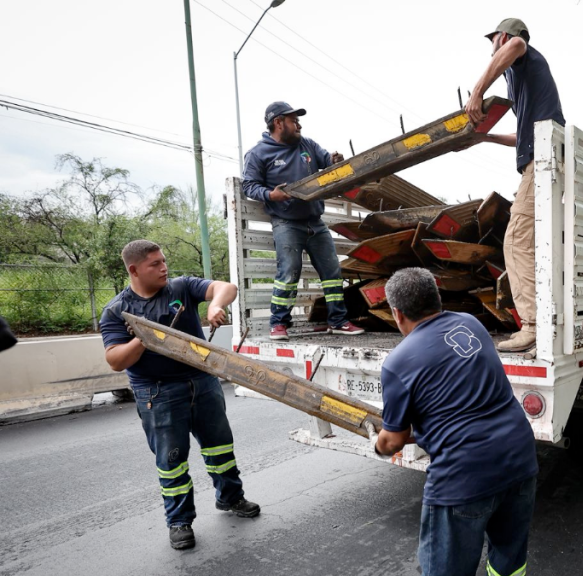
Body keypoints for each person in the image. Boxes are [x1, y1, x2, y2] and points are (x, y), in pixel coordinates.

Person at [373, 268, 538, 576]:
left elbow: (393, 440)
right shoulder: (471, 324)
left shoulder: (398, 363)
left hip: (465, 476)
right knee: (509, 561)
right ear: (437, 298)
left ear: (397, 313)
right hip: (519, 458)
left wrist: (378, 443)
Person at [100, 240, 260, 550]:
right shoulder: (118, 310)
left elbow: (226, 287)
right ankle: (179, 521)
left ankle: (230, 498)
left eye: (163, 261)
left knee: (220, 449)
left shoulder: (181, 288)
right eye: (155, 264)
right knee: (171, 461)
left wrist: (215, 305)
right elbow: (115, 360)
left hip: (202, 380)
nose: (164, 268)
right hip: (157, 392)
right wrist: (147, 338)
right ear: (134, 270)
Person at [465, 18, 565, 353]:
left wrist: (477, 92)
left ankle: (534, 327)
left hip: (543, 161)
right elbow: (522, 136)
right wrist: (488, 137)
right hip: (543, 156)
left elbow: (517, 46)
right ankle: (545, 323)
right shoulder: (524, 81)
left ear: (503, 37)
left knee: (516, 240)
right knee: (535, 244)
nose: (492, 47)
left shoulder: (521, 51)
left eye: (493, 40)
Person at [243, 101, 363, 341]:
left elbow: (328, 165)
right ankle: (279, 323)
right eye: (293, 120)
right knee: (288, 273)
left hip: (315, 221)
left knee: (332, 272)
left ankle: (338, 321)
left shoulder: (307, 144)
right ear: (278, 123)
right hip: (286, 223)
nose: (299, 124)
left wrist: (334, 161)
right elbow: (249, 185)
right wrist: (271, 195)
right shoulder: (258, 153)